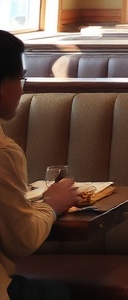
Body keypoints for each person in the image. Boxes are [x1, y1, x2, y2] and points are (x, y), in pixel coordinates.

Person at [0, 29, 80, 300]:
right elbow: (23, 240)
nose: (24, 89)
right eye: (21, 78)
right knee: (59, 294)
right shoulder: (4, 152)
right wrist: (52, 204)